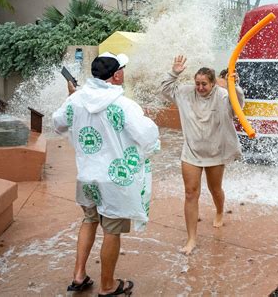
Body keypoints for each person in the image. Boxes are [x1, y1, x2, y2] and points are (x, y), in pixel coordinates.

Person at [53, 52, 159, 296]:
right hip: (114, 181)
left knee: (89, 221)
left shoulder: (76, 100)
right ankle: (109, 286)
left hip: (87, 177)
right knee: (111, 230)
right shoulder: (124, 104)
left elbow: (58, 124)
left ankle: (79, 276)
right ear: (117, 74)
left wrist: (71, 100)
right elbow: (147, 137)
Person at [160, 55, 244, 255]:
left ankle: (219, 211)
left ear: (213, 83)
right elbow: (165, 89)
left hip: (215, 151)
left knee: (215, 189)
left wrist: (235, 86)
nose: (200, 87)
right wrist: (174, 72)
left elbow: (238, 106)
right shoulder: (186, 93)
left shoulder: (223, 95)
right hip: (192, 151)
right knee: (190, 193)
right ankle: (191, 239)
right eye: (197, 83)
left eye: (204, 84)